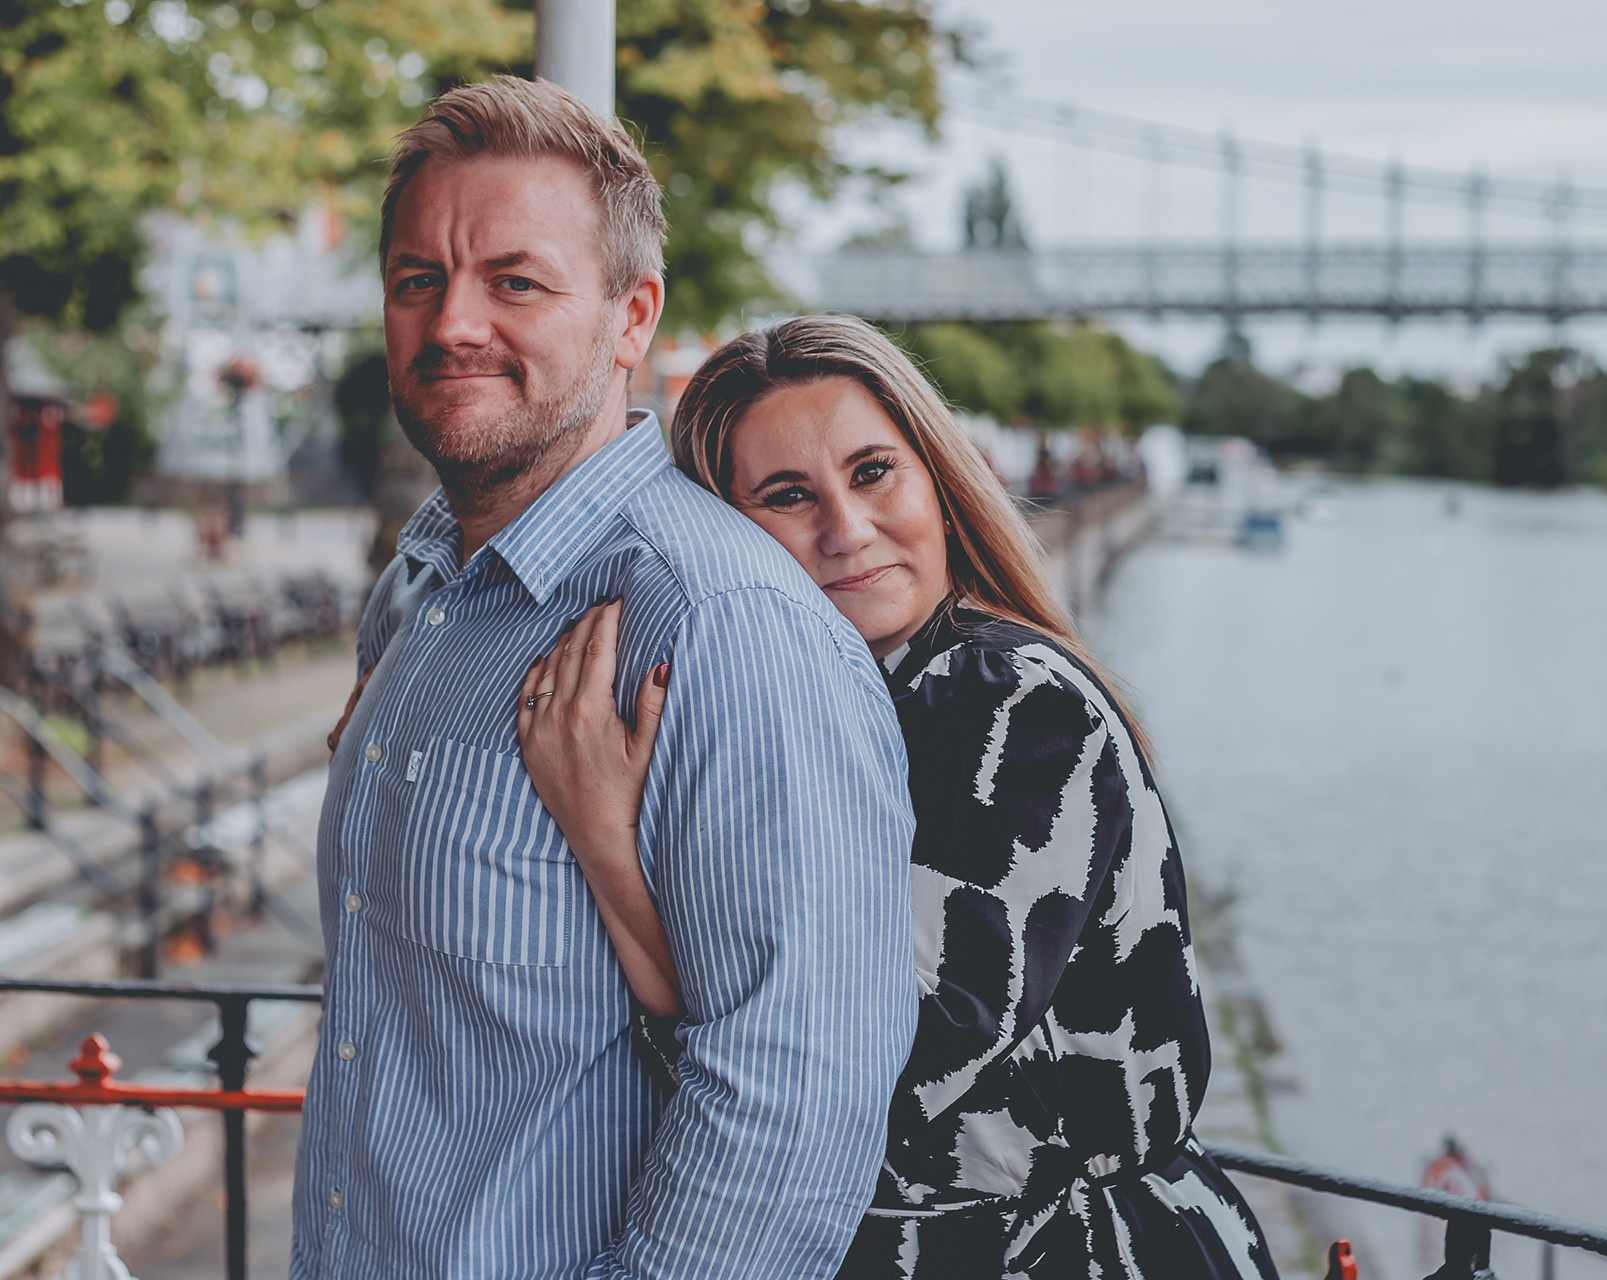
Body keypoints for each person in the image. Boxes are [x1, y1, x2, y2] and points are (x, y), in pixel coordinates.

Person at [295, 81, 916, 1279]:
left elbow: (792, 1105)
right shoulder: (418, 592)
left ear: (633, 319)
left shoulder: (722, 626)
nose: (452, 322)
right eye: (417, 278)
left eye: (515, 282)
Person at [519, 315, 1281, 1279]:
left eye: (873, 471)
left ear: (939, 484)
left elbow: (873, 1060)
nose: (846, 530)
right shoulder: (839, 703)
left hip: (1065, 1252)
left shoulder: (1009, 704)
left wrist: (604, 838)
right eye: (788, 495)